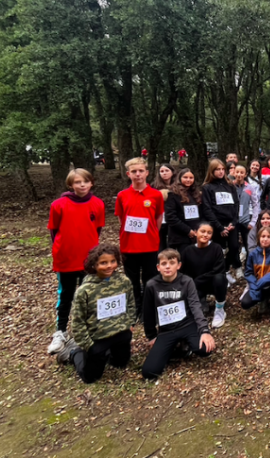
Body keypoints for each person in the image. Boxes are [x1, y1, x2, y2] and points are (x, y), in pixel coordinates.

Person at [55, 244, 136, 384]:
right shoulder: (85, 291)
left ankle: (109, 352)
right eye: (103, 263)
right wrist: (88, 344)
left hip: (120, 332)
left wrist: (130, 323)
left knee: (120, 364)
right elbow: (78, 322)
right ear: (94, 265)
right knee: (91, 377)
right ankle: (73, 352)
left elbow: (130, 305)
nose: (109, 266)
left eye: (113, 261)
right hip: (97, 337)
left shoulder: (124, 282)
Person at [47, 169, 106, 354]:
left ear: (91, 183)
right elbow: (54, 230)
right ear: (70, 185)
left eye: (85, 181)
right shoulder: (58, 205)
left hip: (89, 259)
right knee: (66, 295)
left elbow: (97, 229)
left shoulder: (98, 203)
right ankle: (60, 332)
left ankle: (90, 329)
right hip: (66, 258)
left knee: (89, 295)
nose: (82, 185)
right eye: (78, 182)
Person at [141, 249, 216, 379]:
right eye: (164, 264)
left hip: (187, 325)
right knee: (149, 372)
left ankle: (186, 344)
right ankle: (174, 348)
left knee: (205, 349)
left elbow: (195, 306)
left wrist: (204, 331)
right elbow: (148, 312)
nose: (168, 266)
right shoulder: (151, 285)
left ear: (179, 265)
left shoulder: (187, 282)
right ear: (158, 267)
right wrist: (151, 336)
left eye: (172, 263)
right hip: (166, 330)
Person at [115, 157, 165, 319]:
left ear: (147, 173)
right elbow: (121, 218)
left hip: (149, 244)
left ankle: (147, 308)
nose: (138, 174)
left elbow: (158, 217)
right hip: (129, 245)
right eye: (134, 171)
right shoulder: (122, 195)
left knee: (150, 278)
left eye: (141, 171)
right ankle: (135, 307)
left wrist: (152, 232)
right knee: (132, 280)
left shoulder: (156, 195)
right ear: (128, 174)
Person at [181, 223, 229, 328]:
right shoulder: (188, 251)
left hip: (212, 283)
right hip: (195, 286)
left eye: (209, 233)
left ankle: (219, 310)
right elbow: (182, 272)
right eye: (202, 231)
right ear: (195, 232)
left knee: (220, 278)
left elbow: (219, 270)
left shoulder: (216, 248)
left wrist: (197, 280)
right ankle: (201, 301)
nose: (205, 235)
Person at [202, 159, 243, 279]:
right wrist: (219, 227)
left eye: (222, 169)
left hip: (231, 223)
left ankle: (227, 267)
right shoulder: (207, 187)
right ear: (212, 171)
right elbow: (207, 208)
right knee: (219, 250)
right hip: (217, 224)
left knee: (234, 247)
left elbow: (236, 204)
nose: (220, 172)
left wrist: (234, 222)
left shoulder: (230, 185)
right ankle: (220, 273)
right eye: (217, 169)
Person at [241, 227, 270, 323]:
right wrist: (254, 284)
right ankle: (263, 300)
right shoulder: (253, 254)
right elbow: (248, 272)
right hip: (258, 285)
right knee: (245, 303)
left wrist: (265, 279)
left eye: (268, 237)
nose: (265, 239)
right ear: (259, 238)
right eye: (263, 236)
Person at [165, 168, 212, 254]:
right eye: (185, 177)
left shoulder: (197, 194)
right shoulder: (173, 194)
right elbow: (170, 217)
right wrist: (188, 230)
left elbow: (202, 214)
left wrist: (199, 229)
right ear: (180, 178)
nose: (188, 180)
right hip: (180, 237)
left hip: (196, 234)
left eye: (191, 178)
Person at [234, 165, 260, 254]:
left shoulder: (249, 187)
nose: (239, 174)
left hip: (245, 220)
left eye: (242, 172)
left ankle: (249, 261)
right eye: (237, 172)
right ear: (234, 173)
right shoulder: (230, 186)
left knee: (248, 245)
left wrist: (253, 221)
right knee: (234, 245)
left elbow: (255, 204)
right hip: (233, 220)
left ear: (245, 174)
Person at [152, 164, 176, 252]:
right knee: (160, 244)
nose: (164, 173)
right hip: (160, 219)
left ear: (172, 172)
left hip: (174, 218)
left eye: (167, 171)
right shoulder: (153, 186)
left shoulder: (178, 186)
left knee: (172, 244)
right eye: (162, 171)